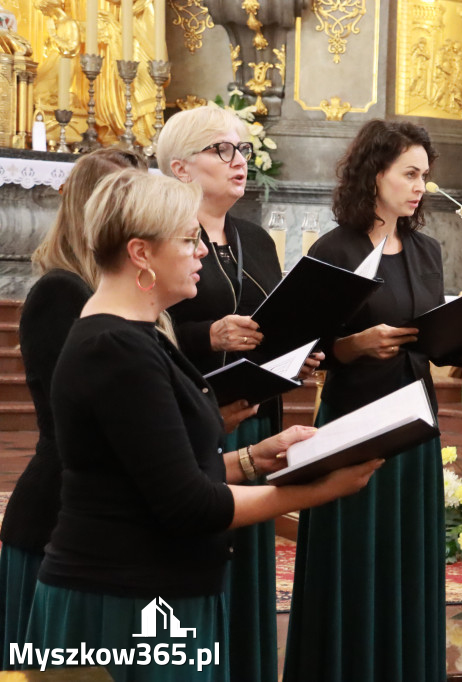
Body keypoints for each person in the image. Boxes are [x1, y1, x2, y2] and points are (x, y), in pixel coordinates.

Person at [26, 168, 380, 682]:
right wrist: (317, 491)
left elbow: (160, 469)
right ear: (141, 253)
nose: (202, 253)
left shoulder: (136, 335)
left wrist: (257, 458)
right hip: (122, 602)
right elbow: (187, 504)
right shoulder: (113, 348)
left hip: (152, 590)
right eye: (189, 240)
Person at [283, 119, 462, 682]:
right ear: (374, 174)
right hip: (354, 422)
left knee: (405, 560)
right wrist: (352, 345)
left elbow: (432, 339)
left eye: (425, 175)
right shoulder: (336, 247)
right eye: (409, 173)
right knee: (353, 556)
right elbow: (301, 345)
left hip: (412, 419)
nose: (420, 185)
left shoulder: (426, 250)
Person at [157, 106, 319, 682]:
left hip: (259, 412)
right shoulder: (161, 237)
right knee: (205, 549)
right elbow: (149, 325)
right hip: (196, 416)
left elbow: (272, 320)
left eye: (243, 150)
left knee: (252, 560)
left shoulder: (255, 237)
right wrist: (210, 334)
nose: (239, 162)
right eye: (222, 150)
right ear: (180, 167)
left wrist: (301, 348)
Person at [0, 149, 147, 669]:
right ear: (94, 210)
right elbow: (81, 419)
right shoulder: (62, 292)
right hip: (56, 520)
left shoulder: (116, 294)